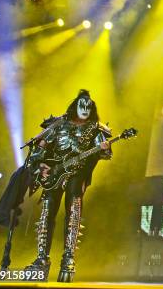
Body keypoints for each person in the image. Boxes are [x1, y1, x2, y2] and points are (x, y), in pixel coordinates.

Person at [24, 90, 112, 282]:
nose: (85, 109)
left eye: (89, 106)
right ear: (75, 106)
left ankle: (68, 258)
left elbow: (105, 154)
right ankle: (41, 259)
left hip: (77, 174)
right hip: (54, 172)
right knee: (47, 213)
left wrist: (104, 148)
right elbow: (39, 149)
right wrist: (41, 165)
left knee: (73, 213)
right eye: (82, 105)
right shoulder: (57, 124)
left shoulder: (97, 129)